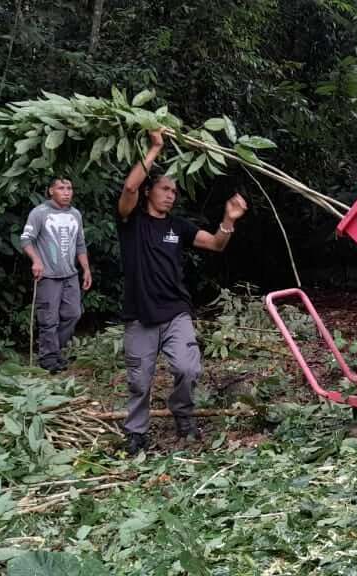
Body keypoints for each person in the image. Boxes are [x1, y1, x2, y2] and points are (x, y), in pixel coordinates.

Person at [117, 129, 248, 454]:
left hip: (175, 311)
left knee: (188, 369)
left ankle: (183, 414)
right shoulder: (131, 221)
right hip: (139, 315)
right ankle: (136, 433)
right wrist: (155, 146)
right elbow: (130, 186)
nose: (170, 195)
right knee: (138, 381)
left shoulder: (178, 227)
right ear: (150, 191)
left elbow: (216, 244)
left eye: (174, 191)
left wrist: (228, 220)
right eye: (164, 188)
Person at [20, 177, 93, 373]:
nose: (66, 192)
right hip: (49, 275)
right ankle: (48, 359)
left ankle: (54, 351)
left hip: (70, 274)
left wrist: (86, 269)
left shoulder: (75, 214)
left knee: (74, 313)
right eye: (61, 188)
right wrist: (36, 260)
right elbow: (26, 239)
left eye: (69, 188)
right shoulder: (40, 213)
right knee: (48, 319)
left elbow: (80, 244)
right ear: (51, 191)